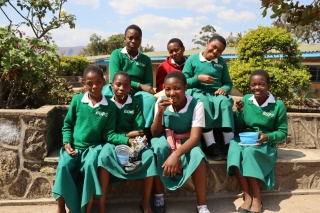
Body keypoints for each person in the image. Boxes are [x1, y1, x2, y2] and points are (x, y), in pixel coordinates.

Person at [52, 65, 118, 213]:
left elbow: (109, 133)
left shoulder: (110, 106)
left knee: (89, 165)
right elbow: (68, 125)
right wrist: (67, 143)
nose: (94, 86)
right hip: (74, 147)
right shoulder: (77, 101)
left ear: (104, 81)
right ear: (84, 84)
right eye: (89, 83)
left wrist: (126, 139)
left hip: (94, 148)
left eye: (98, 82)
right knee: (63, 165)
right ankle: (61, 208)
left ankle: (85, 209)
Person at [227, 70, 288, 213]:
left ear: (268, 85)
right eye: (253, 85)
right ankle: (247, 196)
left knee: (249, 152)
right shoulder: (247, 100)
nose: (257, 88)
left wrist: (267, 137)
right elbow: (239, 127)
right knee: (234, 148)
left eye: (261, 84)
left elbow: (283, 132)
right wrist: (240, 112)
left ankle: (257, 198)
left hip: (265, 144)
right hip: (245, 139)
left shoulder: (278, 105)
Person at [98, 71, 157, 213]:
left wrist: (133, 139)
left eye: (126, 85)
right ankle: (101, 204)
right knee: (104, 156)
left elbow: (139, 131)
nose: (121, 88)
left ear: (130, 88)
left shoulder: (135, 103)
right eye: (118, 84)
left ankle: (146, 201)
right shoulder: (107, 103)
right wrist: (126, 136)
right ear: (111, 85)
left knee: (149, 155)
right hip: (113, 141)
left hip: (134, 140)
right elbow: (108, 134)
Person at [151, 71, 210, 213]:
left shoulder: (196, 104)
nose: (172, 93)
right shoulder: (160, 102)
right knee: (157, 148)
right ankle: (159, 196)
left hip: (188, 140)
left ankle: (202, 205)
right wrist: (159, 113)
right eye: (167, 89)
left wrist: (175, 155)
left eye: (177, 88)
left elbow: (195, 137)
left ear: (186, 87)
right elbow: (155, 133)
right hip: (167, 138)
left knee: (198, 155)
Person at [182, 35, 234, 160]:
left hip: (216, 93)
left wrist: (224, 89)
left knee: (225, 103)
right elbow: (183, 82)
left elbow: (228, 83)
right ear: (207, 43)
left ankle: (229, 143)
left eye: (219, 51)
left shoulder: (221, 62)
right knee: (202, 103)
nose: (215, 52)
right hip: (198, 91)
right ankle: (210, 143)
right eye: (214, 47)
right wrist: (198, 78)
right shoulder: (193, 59)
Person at [102, 24, 156, 135]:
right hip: (118, 87)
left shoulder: (145, 59)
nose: (133, 41)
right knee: (104, 95)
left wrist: (138, 88)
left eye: (137, 38)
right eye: (130, 38)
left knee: (149, 99)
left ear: (141, 40)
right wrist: (138, 85)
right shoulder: (116, 54)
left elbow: (148, 83)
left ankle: (143, 131)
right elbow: (115, 76)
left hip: (137, 93)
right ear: (124, 39)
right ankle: (107, 130)